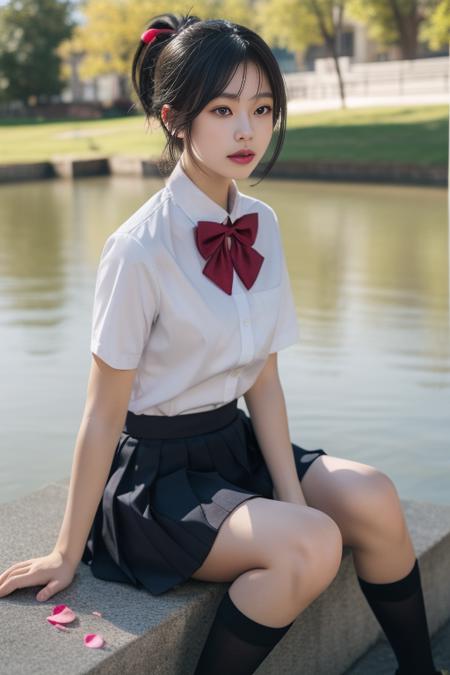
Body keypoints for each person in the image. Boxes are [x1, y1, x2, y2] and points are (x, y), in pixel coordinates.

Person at [0, 12, 446, 675]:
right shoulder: (138, 248)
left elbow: (263, 378)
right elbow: (101, 414)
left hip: (231, 445)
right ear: (175, 118)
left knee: (374, 495)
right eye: (223, 108)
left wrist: (291, 493)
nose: (248, 130)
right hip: (157, 483)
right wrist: (67, 551)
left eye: (262, 108)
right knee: (310, 545)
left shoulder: (261, 223)